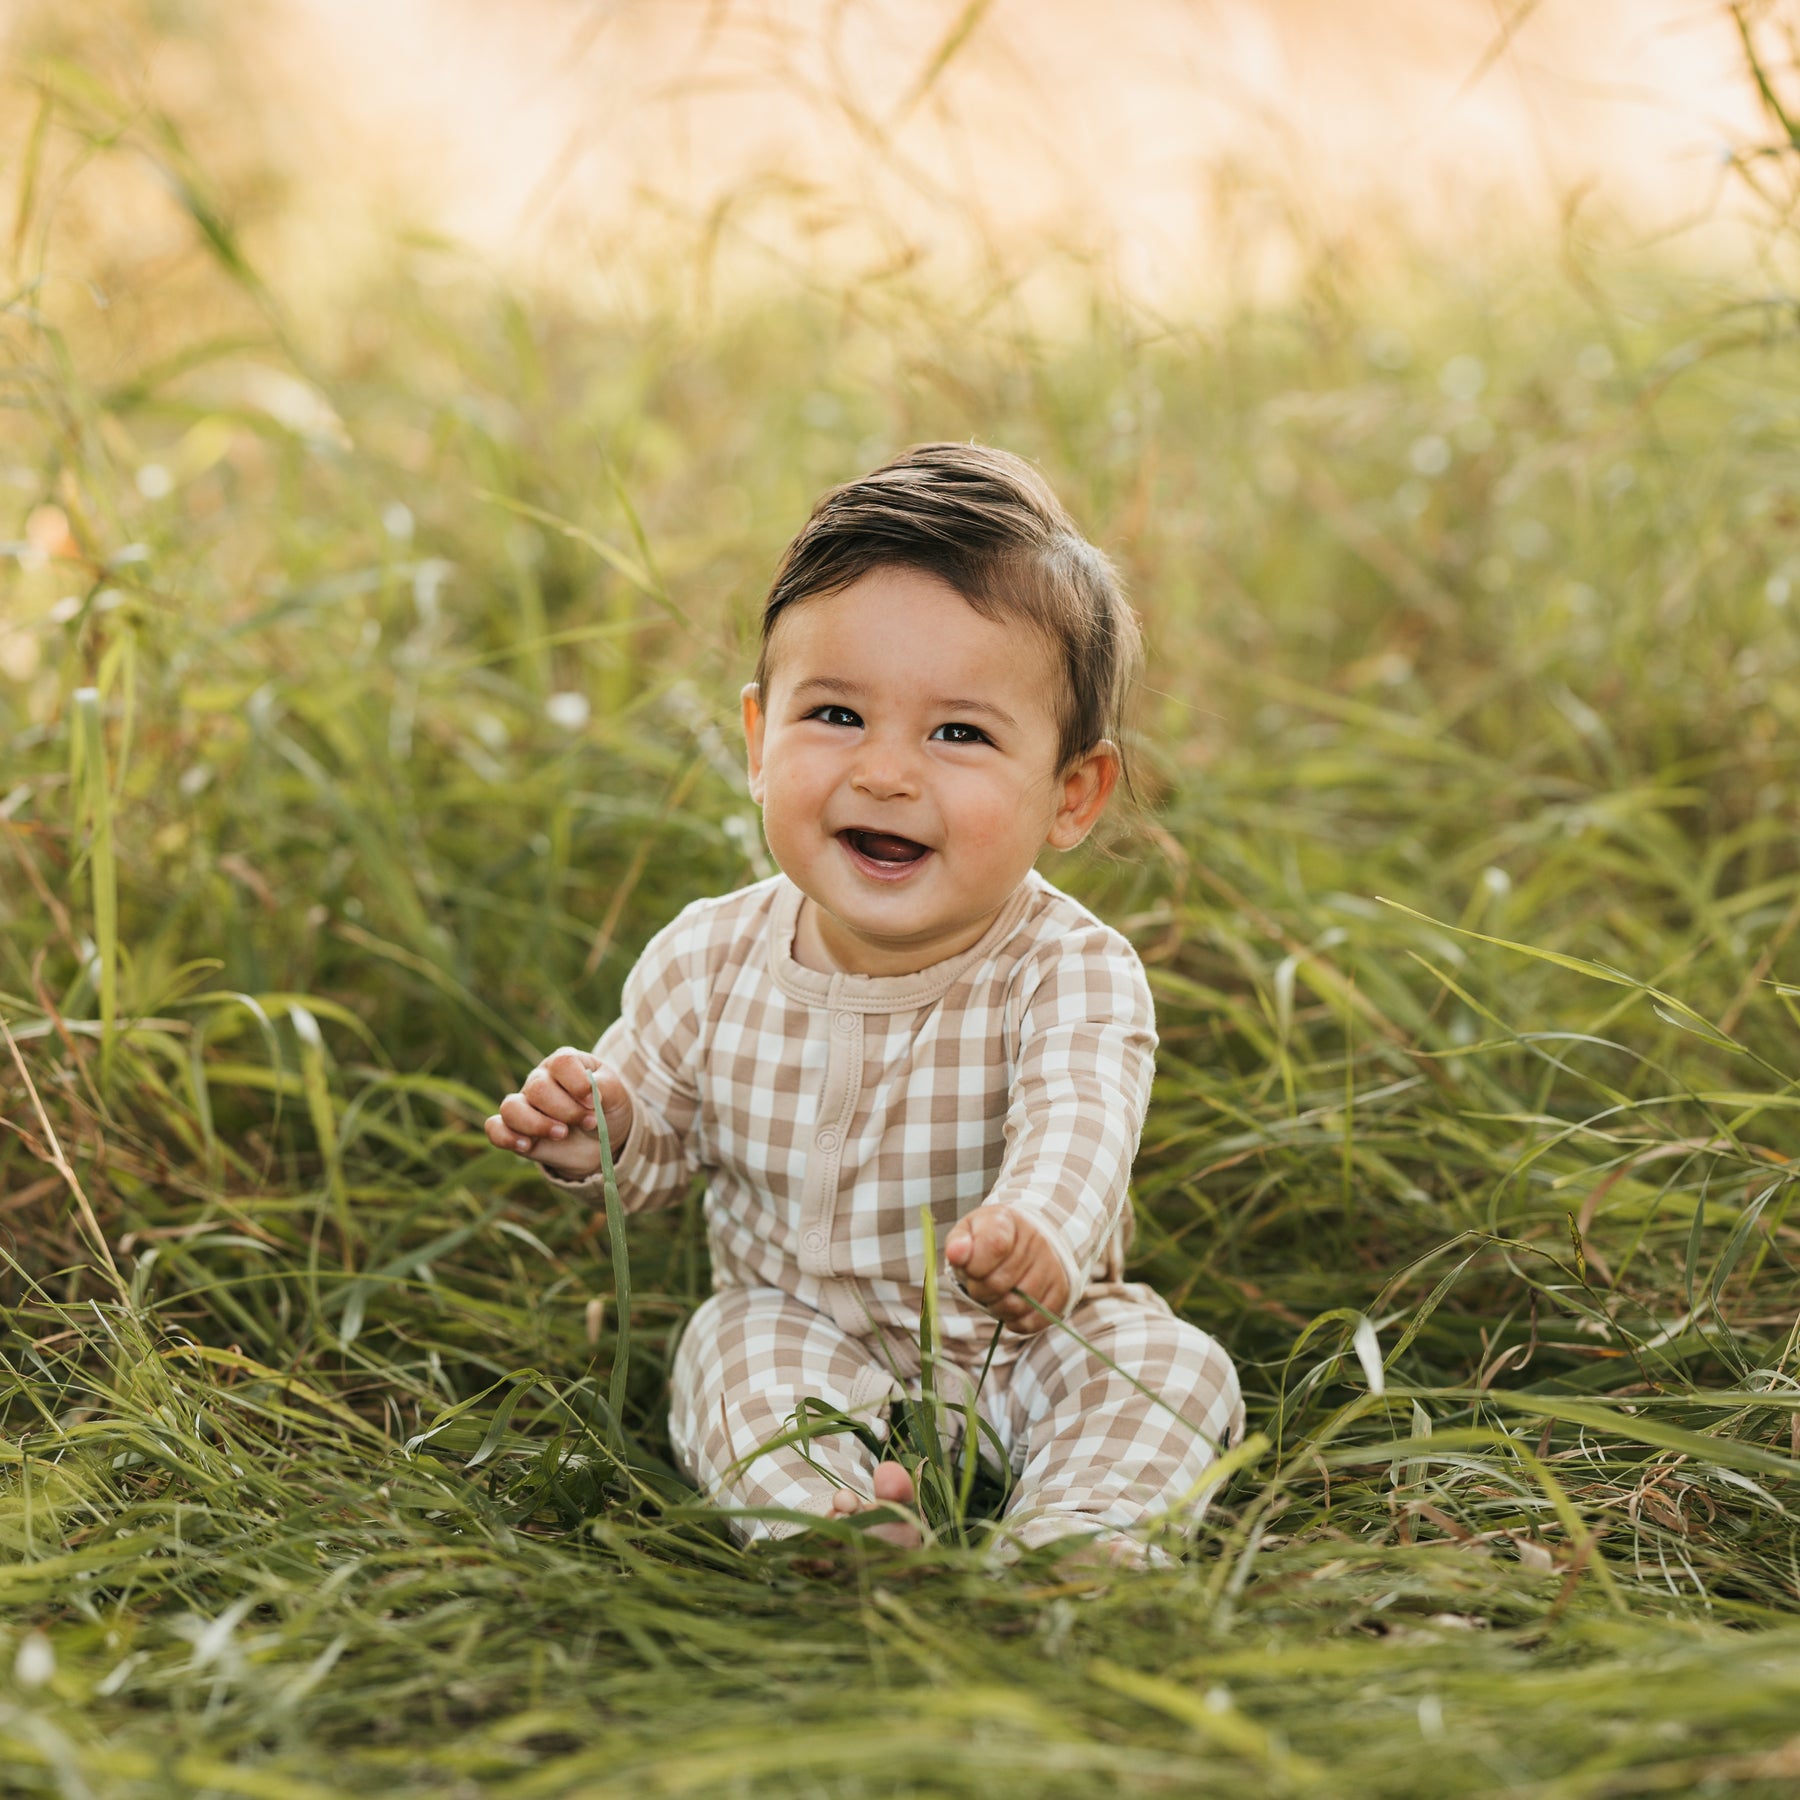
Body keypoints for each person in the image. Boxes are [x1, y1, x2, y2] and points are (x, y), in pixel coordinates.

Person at [484, 443, 1244, 1561]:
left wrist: (1038, 1230)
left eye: (959, 733)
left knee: (1168, 1369)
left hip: (1021, 1339)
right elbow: (655, 1154)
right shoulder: (708, 958)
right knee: (723, 1350)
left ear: (1070, 793)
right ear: (757, 740)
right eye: (837, 715)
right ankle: (829, 1522)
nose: (887, 773)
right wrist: (599, 1123)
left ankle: (1081, 1539)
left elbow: (1080, 1123)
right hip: (799, 1324)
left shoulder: (1069, 968)